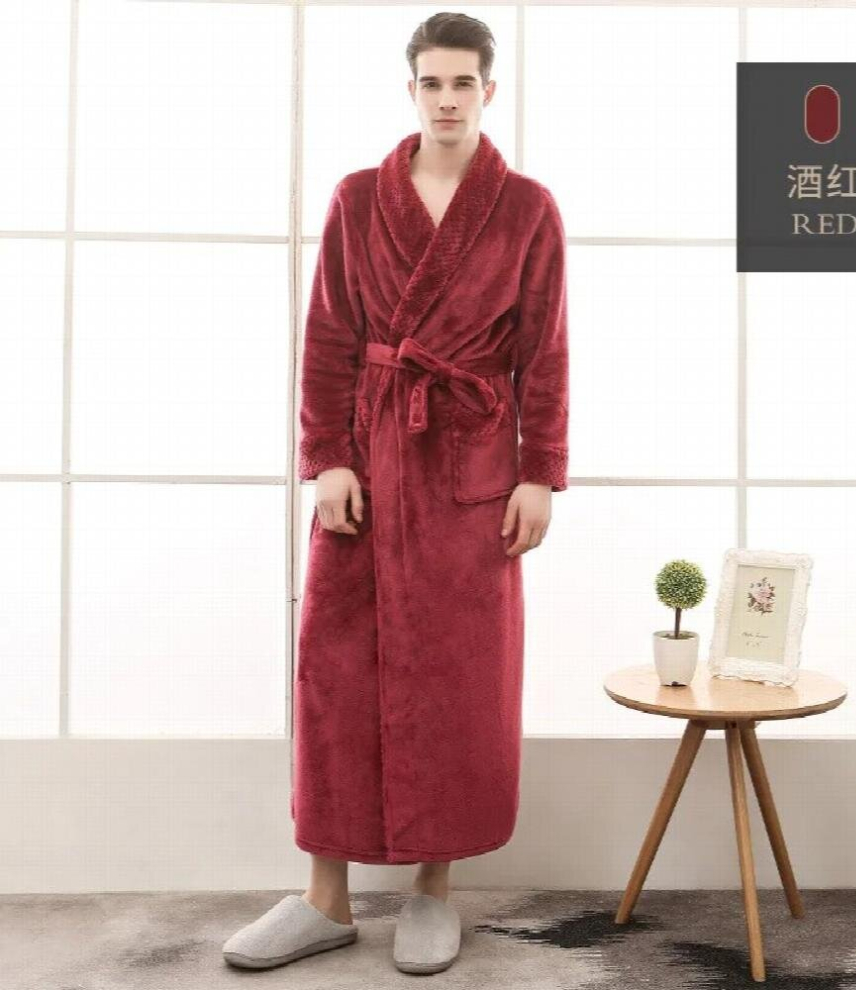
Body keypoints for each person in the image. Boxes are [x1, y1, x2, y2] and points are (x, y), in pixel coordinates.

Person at [223, 11, 568, 975]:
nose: (447, 100)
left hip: (470, 468)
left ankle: (432, 888)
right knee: (335, 673)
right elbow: (330, 335)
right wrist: (326, 457)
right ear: (410, 89)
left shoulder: (527, 209)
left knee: (458, 678)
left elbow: (543, 353)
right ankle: (324, 897)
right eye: (431, 83)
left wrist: (539, 472)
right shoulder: (357, 198)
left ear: (489, 91)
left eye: (464, 84)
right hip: (369, 461)